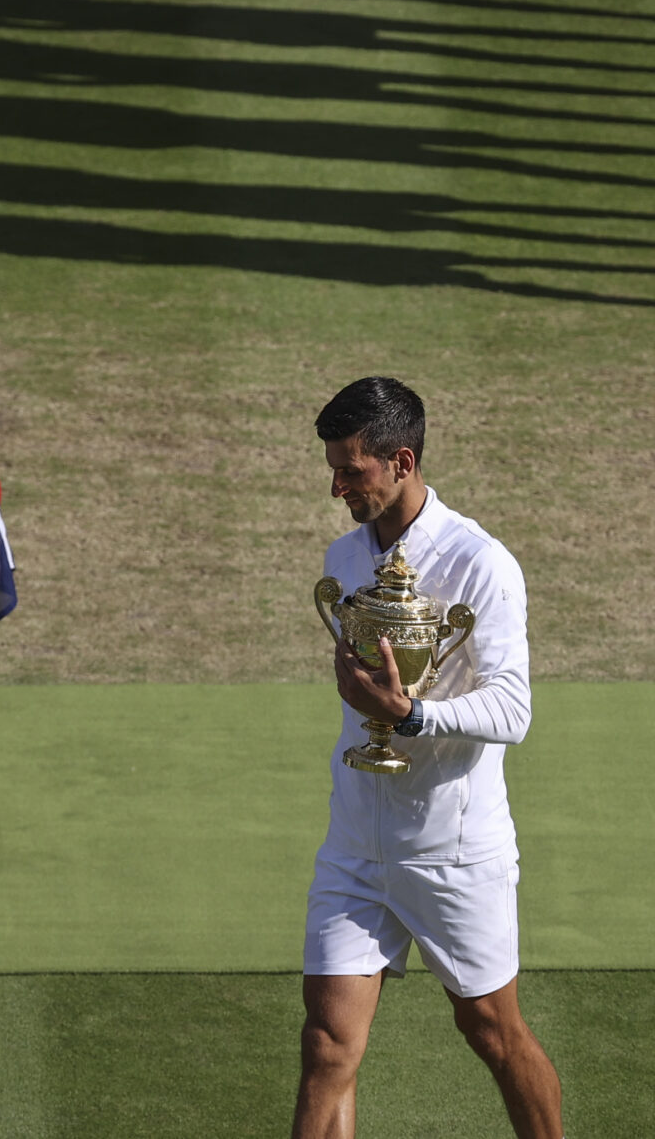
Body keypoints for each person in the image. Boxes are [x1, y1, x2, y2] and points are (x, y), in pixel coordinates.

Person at [293, 377, 562, 1139]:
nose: (337, 486)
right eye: (334, 469)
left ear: (402, 460)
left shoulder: (482, 564)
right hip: (354, 845)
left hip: (452, 850)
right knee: (327, 1046)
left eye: (352, 470)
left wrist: (409, 715)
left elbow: (514, 708)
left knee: (493, 1034)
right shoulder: (344, 557)